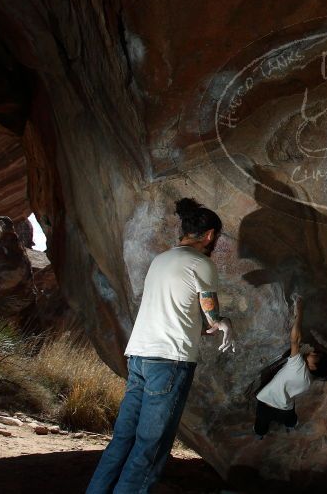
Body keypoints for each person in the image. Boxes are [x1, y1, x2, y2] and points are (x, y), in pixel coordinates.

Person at [87, 197, 235, 494]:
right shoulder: (201, 263)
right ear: (209, 235)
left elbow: (173, 308)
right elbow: (211, 314)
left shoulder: (161, 259)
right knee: (150, 449)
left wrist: (198, 325)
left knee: (122, 441)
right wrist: (223, 323)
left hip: (140, 356)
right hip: (169, 362)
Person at [253, 293, 327, 438]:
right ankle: (291, 425)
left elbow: (295, 339)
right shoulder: (309, 380)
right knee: (290, 418)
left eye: (316, 356)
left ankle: (260, 434)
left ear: (314, 367)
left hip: (266, 405)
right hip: (285, 408)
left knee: (261, 424)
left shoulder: (297, 366)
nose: (314, 353)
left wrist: (300, 312)